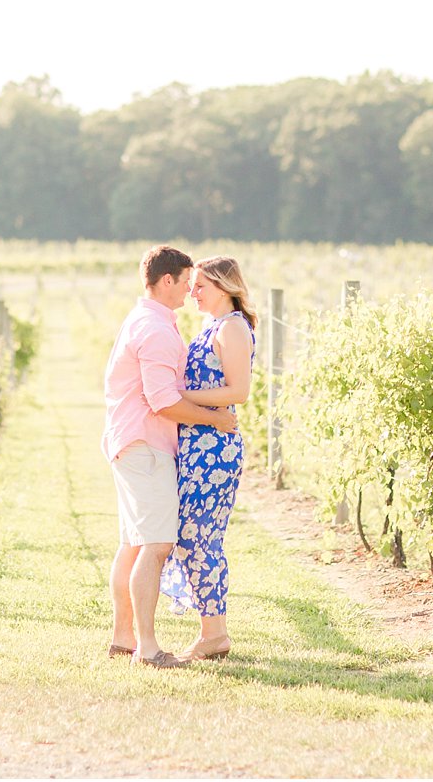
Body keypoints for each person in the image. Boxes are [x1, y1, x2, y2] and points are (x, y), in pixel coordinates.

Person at [102, 245, 237, 669]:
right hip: (146, 445)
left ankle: (124, 638)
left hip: (132, 442)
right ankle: (148, 649)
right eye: (185, 282)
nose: (190, 290)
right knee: (157, 545)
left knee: (133, 544)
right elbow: (162, 402)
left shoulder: (146, 319)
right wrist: (214, 419)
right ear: (166, 281)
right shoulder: (157, 329)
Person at [159, 255, 256, 662]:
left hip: (215, 448)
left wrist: (182, 400)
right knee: (191, 536)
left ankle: (215, 633)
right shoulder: (211, 326)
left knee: (202, 538)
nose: (192, 292)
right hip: (198, 444)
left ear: (223, 288)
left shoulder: (233, 328)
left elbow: (238, 392)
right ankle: (211, 629)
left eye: (200, 286)